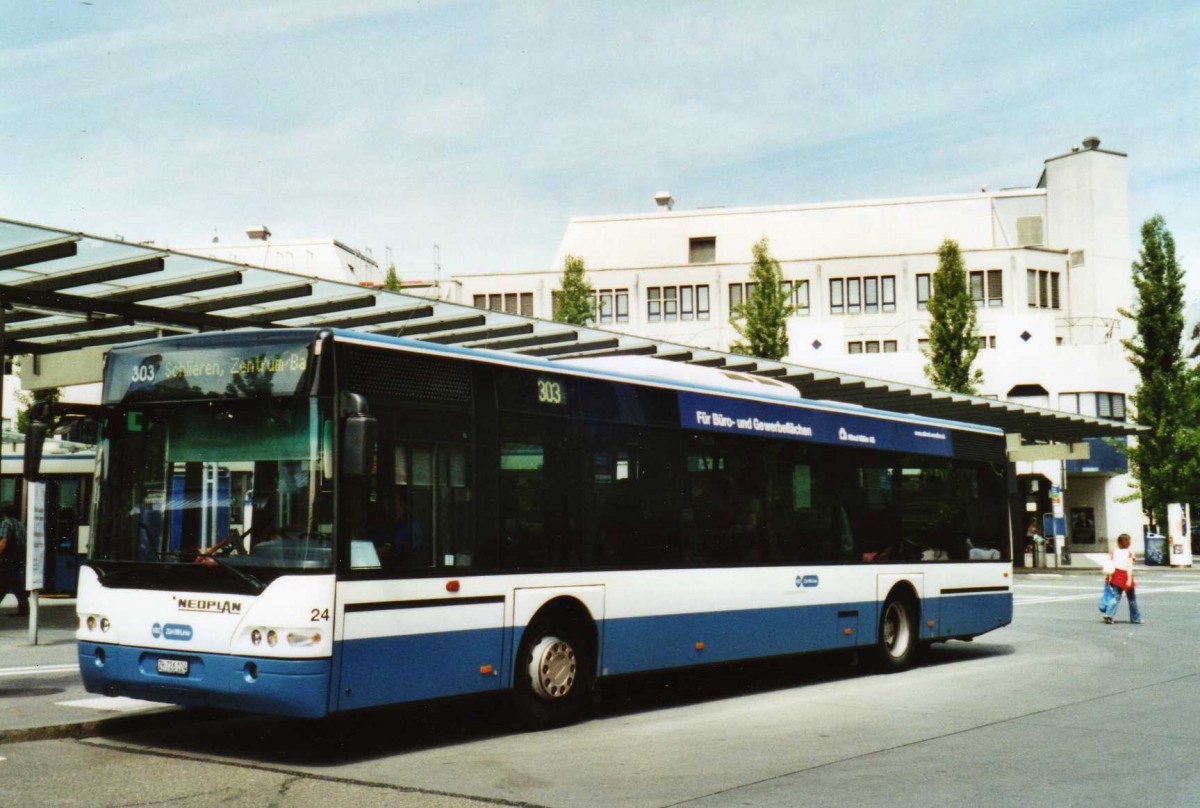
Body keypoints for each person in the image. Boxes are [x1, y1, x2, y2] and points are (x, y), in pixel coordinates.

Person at [1101, 533, 1142, 625]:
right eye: (1129, 540)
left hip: (1115, 575)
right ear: (1127, 542)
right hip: (1125, 575)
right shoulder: (1129, 553)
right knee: (1132, 599)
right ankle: (1135, 618)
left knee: (1116, 597)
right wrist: (1129, 579)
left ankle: (1109, 614)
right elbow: (1129, 566)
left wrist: (1109, 577)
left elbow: (1110, 564)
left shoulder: (1114, 551)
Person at [0, 505, 30, 617]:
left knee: (3, 581)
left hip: (8, 557)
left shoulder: (6, 523)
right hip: (19, 557)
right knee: (16, 583)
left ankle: (24, 609)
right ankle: (24, 609)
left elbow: (4, 541)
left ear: (4, 513)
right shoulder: (20, 525)